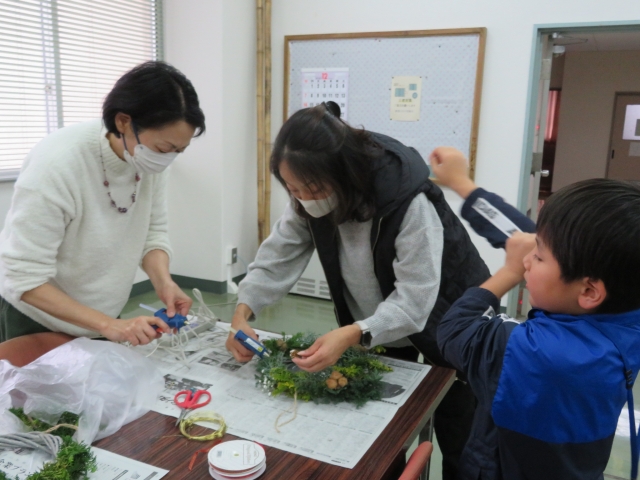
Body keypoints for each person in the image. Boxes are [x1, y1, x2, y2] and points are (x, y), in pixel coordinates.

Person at [225, 101, 491, 479]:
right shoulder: (307, 196)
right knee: (384, 426)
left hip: (452, 318)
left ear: (344, 173)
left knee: (459, 430)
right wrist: (243, 311)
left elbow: (415, 299)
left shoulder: (407, 201)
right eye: (293, 189)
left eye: (312, 188)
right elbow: (278, 255)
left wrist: (354, 332)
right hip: (380, 323)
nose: (304, 198)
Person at [430, 146, 640, 479]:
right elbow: (525, 239)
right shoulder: (625, 309)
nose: (528, 260)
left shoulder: (536, 354)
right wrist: (462, 184)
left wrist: (510, 272)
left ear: (589, 291)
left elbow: (455, 330)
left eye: (538, 258)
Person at [0, 61, 205, 350]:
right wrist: (108, 325)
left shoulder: (148, 161)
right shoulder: (57, 164)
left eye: (178, 151)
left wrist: (164, 282)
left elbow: (152, 233)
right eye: (163, 148)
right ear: (123, 122)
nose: (167, 158)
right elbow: (23, 278)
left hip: (103, 316)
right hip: (39, 317)